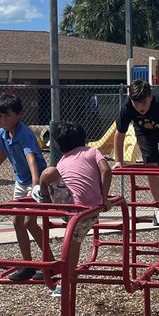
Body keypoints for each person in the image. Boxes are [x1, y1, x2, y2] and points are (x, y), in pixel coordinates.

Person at [0, 93, 47, 281]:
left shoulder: (25, 134)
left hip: (35, 181)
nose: (3, 120)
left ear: (19, 115)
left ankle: (50, 262)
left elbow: (32, 158)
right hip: (21, 181)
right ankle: (28, 265)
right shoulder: (2, 134)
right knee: (17, 222)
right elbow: (2, 155)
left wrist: (36, 185)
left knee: (29, 222)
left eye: (7, 116)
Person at [38, 122, 112, 297]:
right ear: (84, 139)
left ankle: (65, 281)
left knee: (49, 173)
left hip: (72, 208)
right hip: (90, 209)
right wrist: (104, 198)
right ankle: (65, 279)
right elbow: (106, 171)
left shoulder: (63, 161)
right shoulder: (92, 151)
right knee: (73, 243)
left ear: (59, 146)